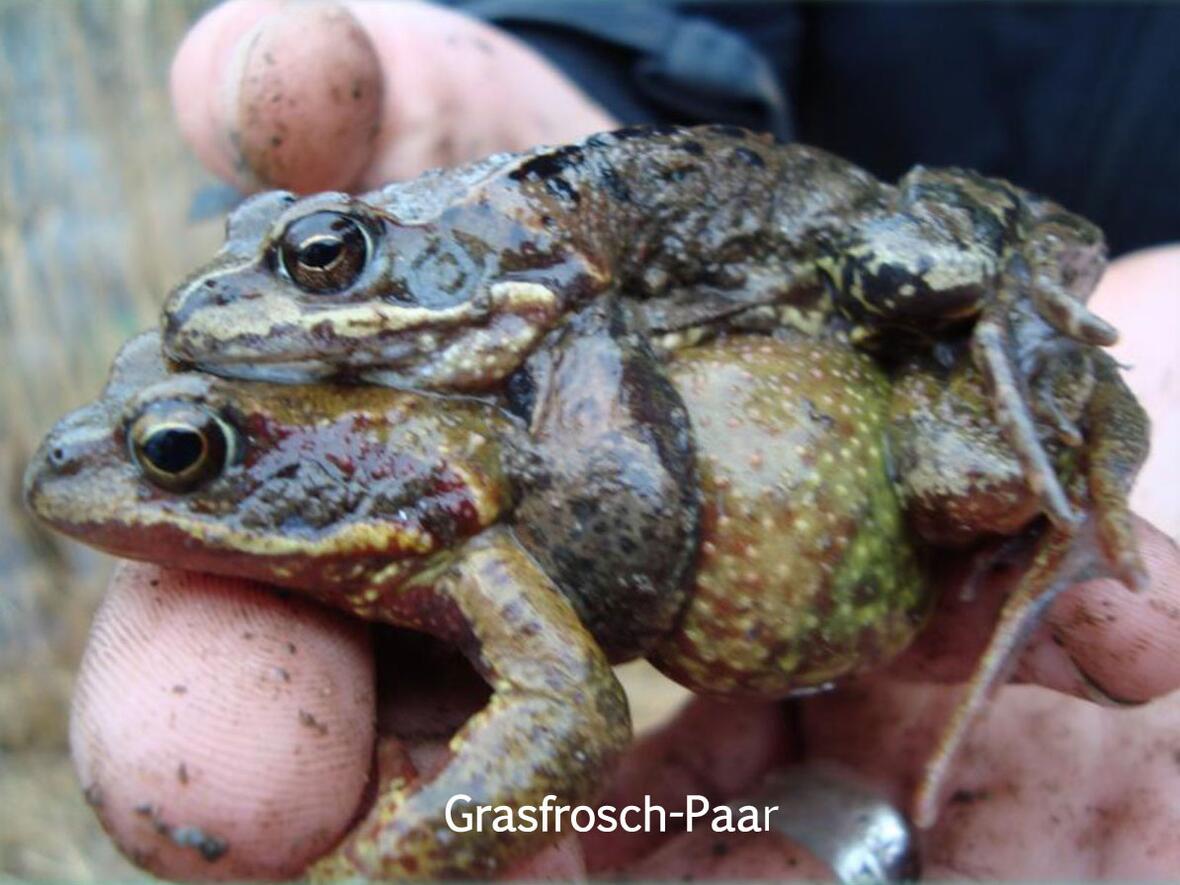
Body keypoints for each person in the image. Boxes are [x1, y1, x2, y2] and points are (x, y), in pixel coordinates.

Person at [71, 1, 1180, 879]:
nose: (261, 303)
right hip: (781, 278)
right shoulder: (490, 323)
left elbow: (621, 492)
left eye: (322, 258)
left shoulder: (546, 296)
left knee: (928, 321)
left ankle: (1050, 379)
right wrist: (577, 38)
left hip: (868, 252)